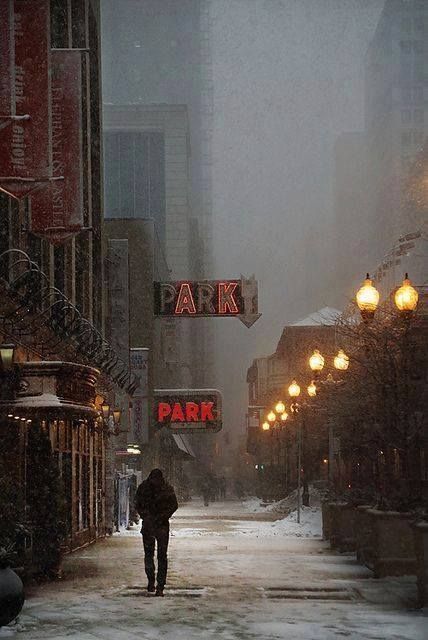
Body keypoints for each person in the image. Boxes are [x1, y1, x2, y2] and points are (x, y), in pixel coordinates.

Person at [134, 468, 178, 596]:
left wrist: (146, 516)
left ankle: (151, 581)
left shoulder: (143, 488)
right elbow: (174, 505)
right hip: (161, 526)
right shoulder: (166, 488)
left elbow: (137, 504)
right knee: (162, 556)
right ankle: (160, 585)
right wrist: (163, 516)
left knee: (149, 554)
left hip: (149, 525)